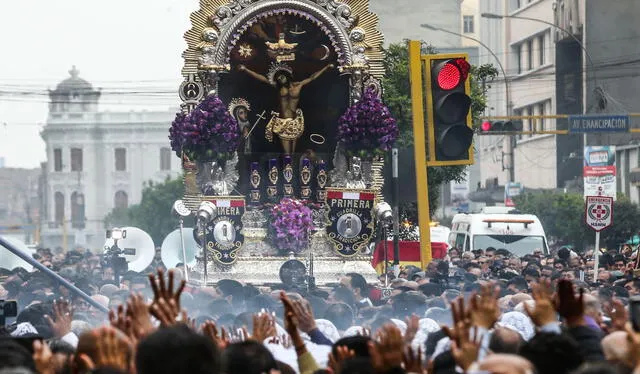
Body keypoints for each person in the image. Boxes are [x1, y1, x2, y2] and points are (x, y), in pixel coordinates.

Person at [238, 62, 334, 154]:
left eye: (282, 75)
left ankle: (292, 169)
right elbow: (262, 78)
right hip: (283, 122)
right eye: (278, 77)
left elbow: (312, 77)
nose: (280, 78)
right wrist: (246, 70)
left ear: (287, 76)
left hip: (295, 122)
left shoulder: (298, 85)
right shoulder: (278, 87)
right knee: (287, 153)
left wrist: (325, 68)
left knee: (293, 152)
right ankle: (287, 169)